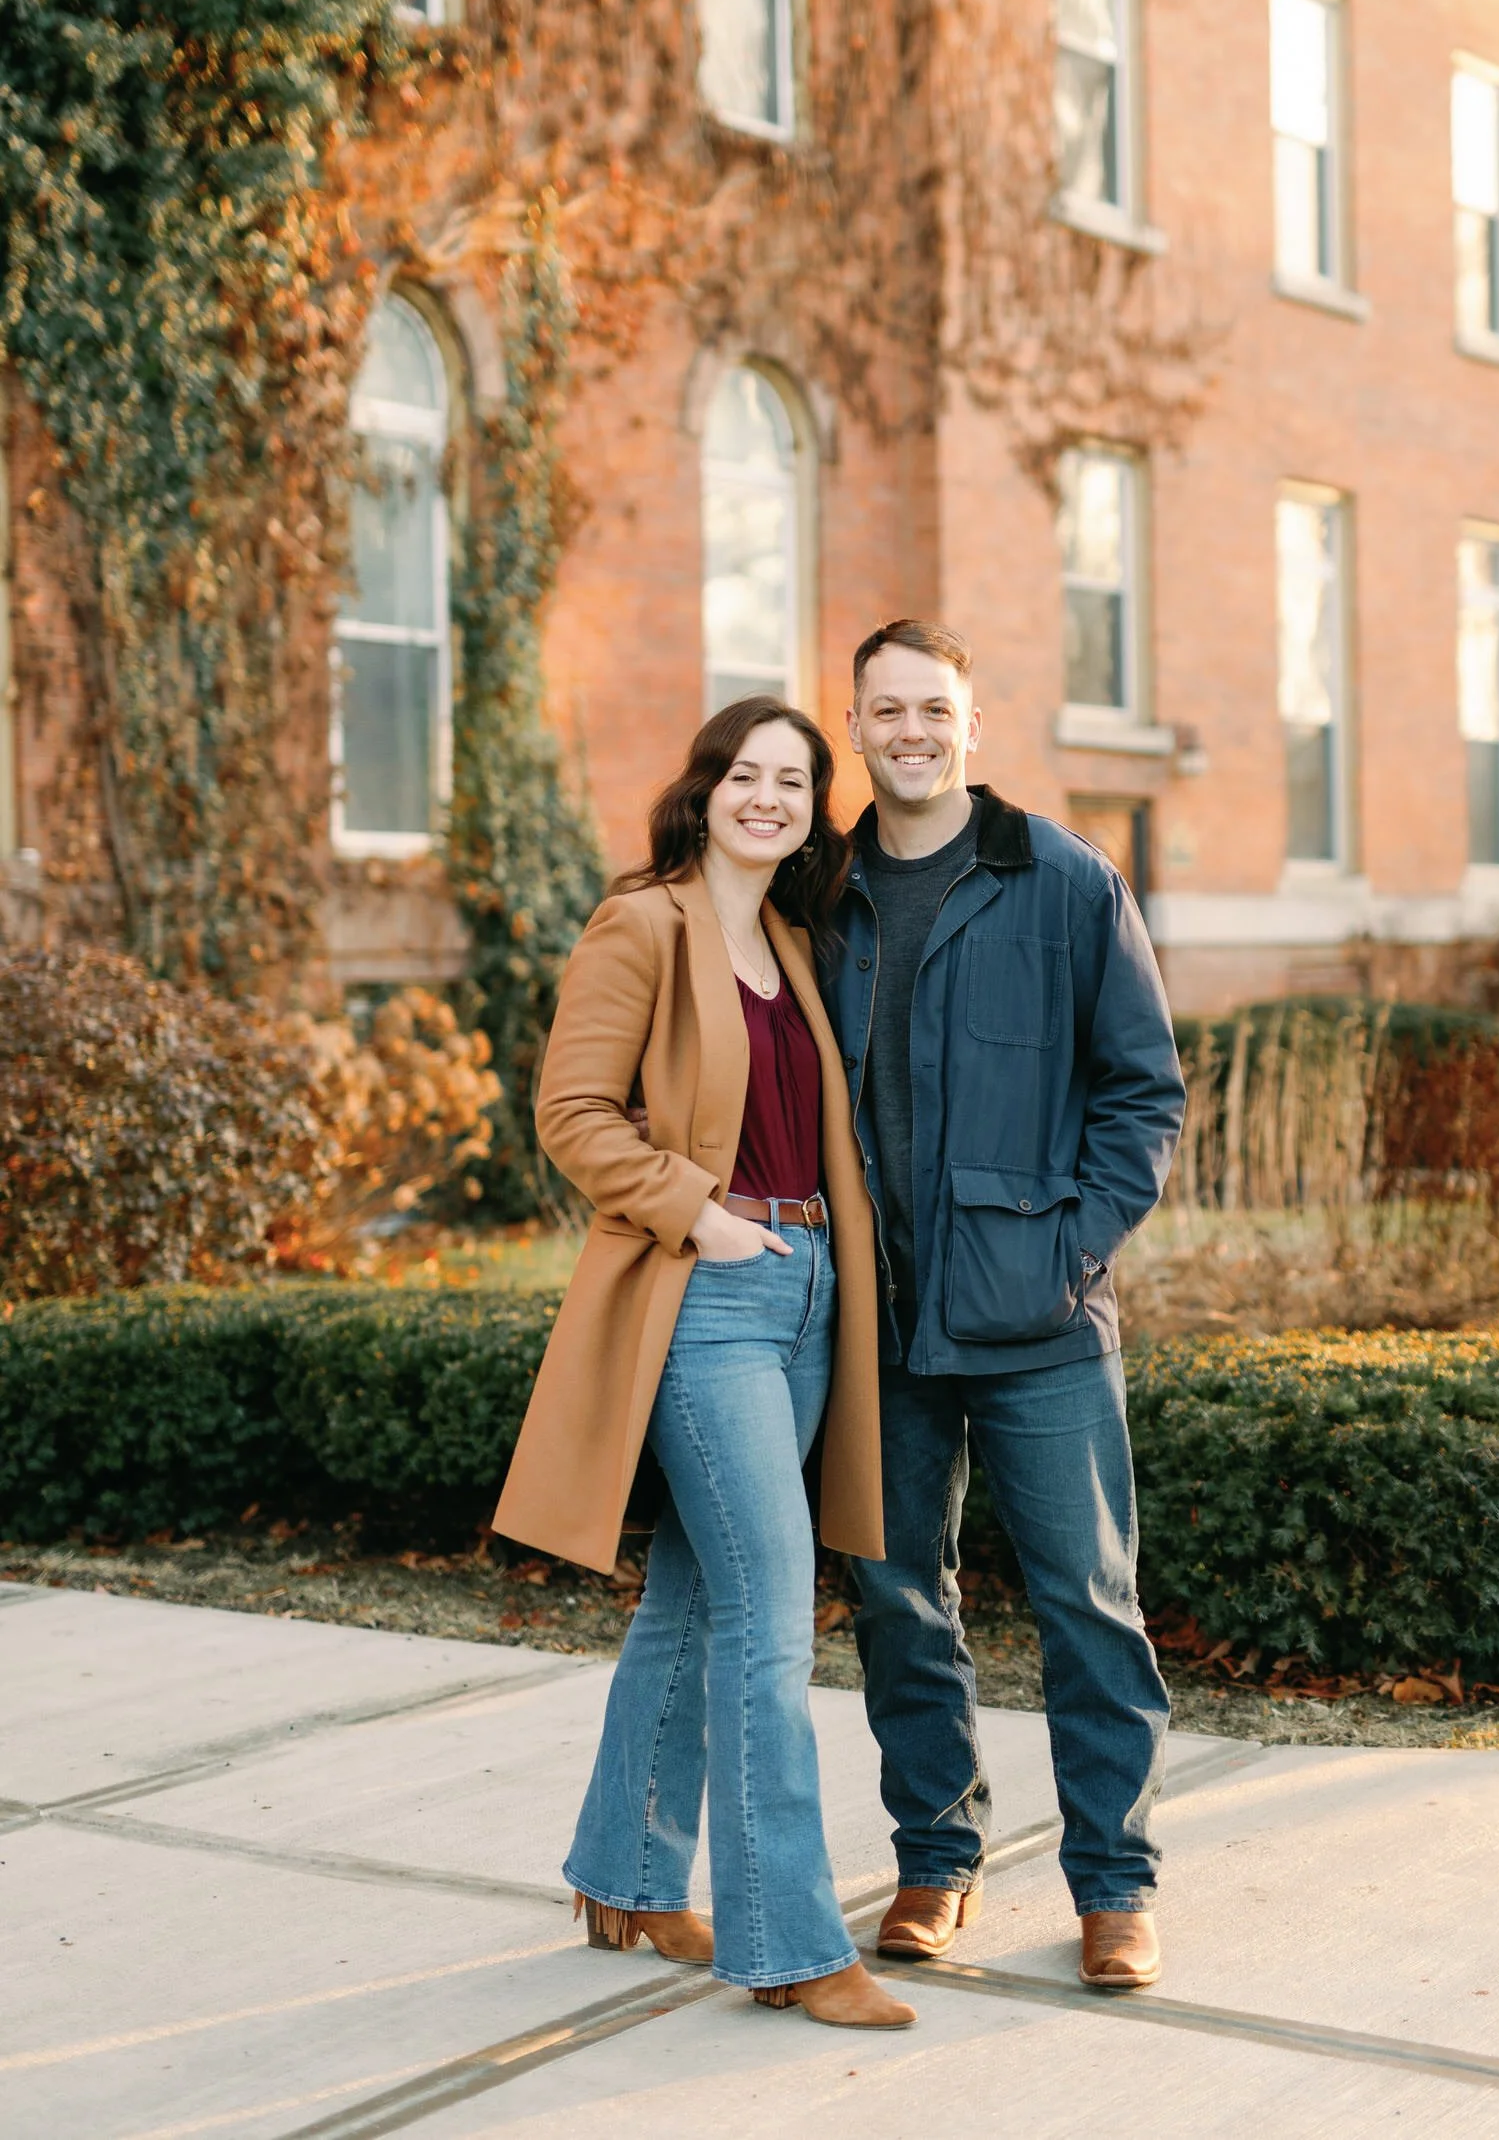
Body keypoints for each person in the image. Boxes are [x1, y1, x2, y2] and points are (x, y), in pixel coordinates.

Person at [494, 697, 914, 2031]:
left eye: (794, 783)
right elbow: (568, 1111)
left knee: (691, 1596)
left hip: (804, 1295)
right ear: (705, 788)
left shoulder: (792, 941)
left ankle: (623, 1875)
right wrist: (704, 1213)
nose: (768, 799)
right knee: (767, 1613)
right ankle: (787, 1942)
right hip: (707, 1295)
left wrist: (805, 1256)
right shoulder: (645, 923)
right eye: (747, 774)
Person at [821, 620, 1187, 1992]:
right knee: (896, 1598)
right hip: (881, 1320)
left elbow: (1141, 1091)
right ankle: (934, 1857)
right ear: (854, 726)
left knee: (1089, 1604)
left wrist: (1068, 1255)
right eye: (884, 710)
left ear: (971, 726)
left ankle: (1112, 1887)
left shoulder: (1066, 882)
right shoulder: (824, 894)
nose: (909, 731)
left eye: (933, 709)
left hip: (1037, 1322)